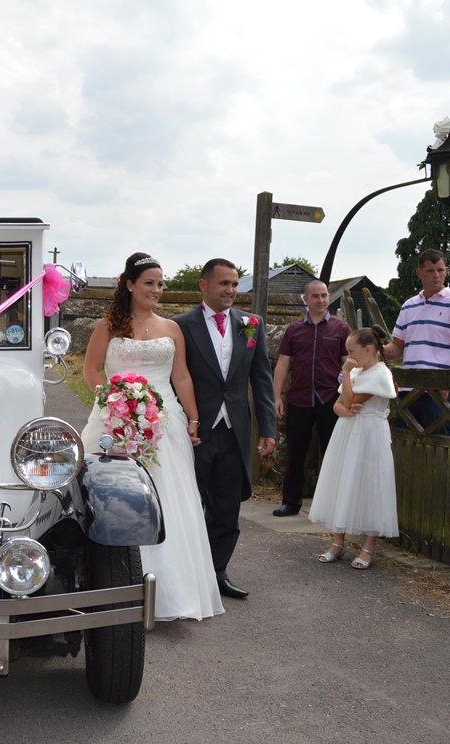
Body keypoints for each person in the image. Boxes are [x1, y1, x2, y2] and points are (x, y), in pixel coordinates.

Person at [80, 252, 224, 621]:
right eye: (149, 283)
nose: (157, 290)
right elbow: (91, 369)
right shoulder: (108, 326)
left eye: (161, 284)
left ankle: (171, 595)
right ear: (130, 284)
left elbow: (181, 378)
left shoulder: (172, 328)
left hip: (164, 424)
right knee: (113, 499)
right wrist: (115, 402)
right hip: (114, 420)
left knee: (170, 501)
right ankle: (113, 589)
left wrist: (193, 418)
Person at [174, 259, 276, 600]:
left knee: (228, 506)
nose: (231, 290)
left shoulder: (250, 325)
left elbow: (260, 378)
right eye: (224, 284)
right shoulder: (181, 326)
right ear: (204, 285)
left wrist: (268, 428)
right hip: (195, 429)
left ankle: (218, 572)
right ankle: (187, 574)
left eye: (234, 284)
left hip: (235, 430)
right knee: (189, 502)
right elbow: (175, 379)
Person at [308, 325, 398, 569]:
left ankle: (368, 547)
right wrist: (344, 407)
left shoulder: (379, 374)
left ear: (368, 349)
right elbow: (338, 405)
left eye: (351, 351)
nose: (348, 357)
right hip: (349, 432)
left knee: (369, 484)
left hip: (369, 435)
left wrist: (346, 377)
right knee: (343, 480)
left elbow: (349, 400)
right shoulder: (358, 371)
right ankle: (338, 541)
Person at [271, 280, 351, 517]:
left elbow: (349, 365)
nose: (321, 300)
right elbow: (283, 364)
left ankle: (335, 505)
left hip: (330, 400)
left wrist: (348, 395)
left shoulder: (341, 328)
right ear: (305, 299)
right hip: (299, 399)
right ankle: (291, 502)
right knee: (295, 453)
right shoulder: (294, 330)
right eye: (315, 296)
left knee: (334, 453)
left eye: (324, 295)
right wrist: (276, 396)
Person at [384, 248, 450, 435]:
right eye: (430, 271)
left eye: (440, 270)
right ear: (419, 273)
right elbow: (396, 348)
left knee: (439, 452)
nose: (436, 276)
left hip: (438, 394)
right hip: (407, 391)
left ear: (446, 271)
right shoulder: (408, 306)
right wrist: (373, 349)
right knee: (404, 448)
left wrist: (448, 382)